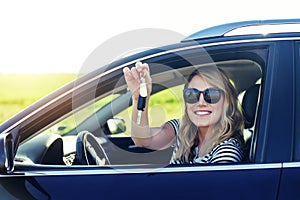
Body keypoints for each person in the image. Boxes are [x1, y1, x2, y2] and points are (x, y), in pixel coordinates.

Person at [123, 61, 244, 164]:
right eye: (192, 94)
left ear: (226, 101)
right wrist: (139, 99)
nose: (201, 102)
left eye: (211, 95)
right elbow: (142, 139)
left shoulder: (227, 152)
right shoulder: (182, 131)